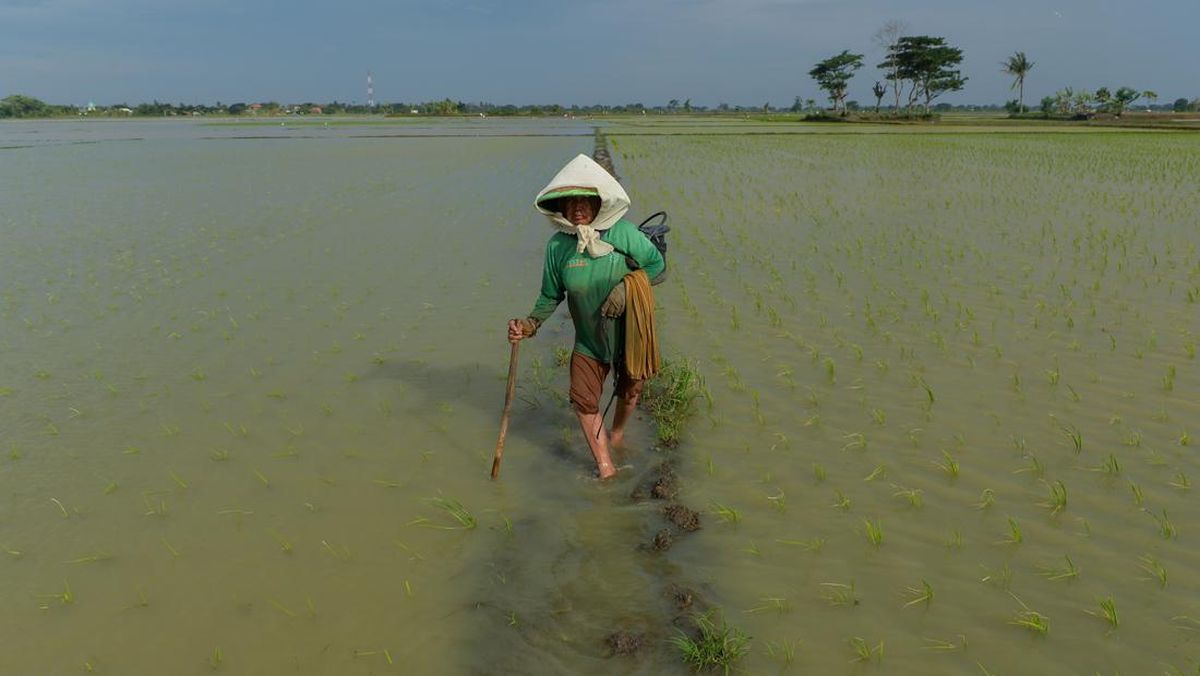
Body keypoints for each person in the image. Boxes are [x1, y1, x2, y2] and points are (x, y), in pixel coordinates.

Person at [508, 154, 664, 479]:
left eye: (585, 201)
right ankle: (605, 466)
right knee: (583, 399)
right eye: (570, 202)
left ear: (598, 204)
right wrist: (529, 324)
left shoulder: (623, 233)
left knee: (631, 389)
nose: (578, 208)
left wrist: (626, 287)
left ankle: (618, 433)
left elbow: (656, 265)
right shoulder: (558, 247)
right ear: (561, 208)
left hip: (629, 333)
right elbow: (551, 295)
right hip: (589, 340)